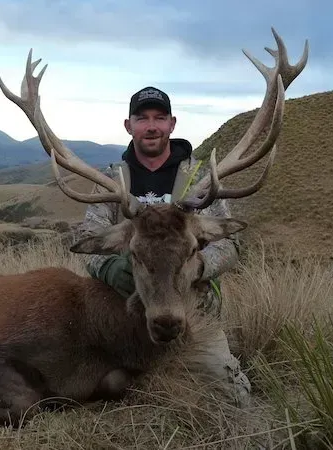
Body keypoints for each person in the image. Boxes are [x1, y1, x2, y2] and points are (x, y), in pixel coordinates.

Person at [75, 86, 251, 407]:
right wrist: (113, 268)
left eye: (159, 118)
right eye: (142, 118)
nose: (151, 126)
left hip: (196, 316)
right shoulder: (113, 182)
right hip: (121, 319)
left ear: (172, 124)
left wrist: (199, 266)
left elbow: (232, 242)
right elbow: (91, 240)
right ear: (129, 126)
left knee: (233, 397)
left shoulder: (201, 181)